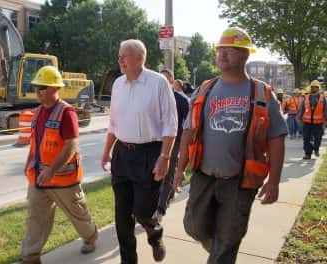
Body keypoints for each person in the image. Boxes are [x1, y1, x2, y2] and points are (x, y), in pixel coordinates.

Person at [173, 27, 288, 264]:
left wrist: (274, 182)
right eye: (220, 50)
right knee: (194, 227)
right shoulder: (205, 88)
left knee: (228, 240)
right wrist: (179, 168)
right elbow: (188, 130)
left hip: (241, 181)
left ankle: (220, 254)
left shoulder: (262, 93)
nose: (223, 55)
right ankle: (218, 251)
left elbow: (277, 139)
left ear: (246, 55)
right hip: (204, 176)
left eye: (231, 50)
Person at [101, 39, 177, 263]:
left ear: (140, 58)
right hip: (122, 155)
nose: (120, 60)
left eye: (125, 55)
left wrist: (165, 157)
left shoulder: (158, 83)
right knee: (122, 215)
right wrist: (107, 151)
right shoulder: (117, 85)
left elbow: (170, 125)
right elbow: (113, 122)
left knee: (143, 210)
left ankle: (154, 232)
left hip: (149, 154)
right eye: (119, 56)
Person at [21, 66, 98, 264]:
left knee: (77, 213)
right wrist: (28, 163)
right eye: (37, 87)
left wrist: (51, 170)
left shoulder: (67, 113)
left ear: (56, 89)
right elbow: (35, 143)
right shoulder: (37, 113)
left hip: (63, 179)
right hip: (39, 178)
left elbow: (71, 144)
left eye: (44, 87)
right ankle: (31, 256)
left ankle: (90, 237)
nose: (39, 91)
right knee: (36, 218)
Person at [159, 69, 190, 216]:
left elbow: (187, 123)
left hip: (174, 141)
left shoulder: (182, 100)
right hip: (155, 141)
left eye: (166, 79)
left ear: (172, 81)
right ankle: (165, 194)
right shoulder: (153, 97)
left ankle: (161, 206)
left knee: (168, 171)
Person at [298, 80, 326, 159]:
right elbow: (302, 109)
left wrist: (325, 122)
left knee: (318, 138)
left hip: (318, 123)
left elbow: (325, 110)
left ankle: (316, 149)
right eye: (312, 87)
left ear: (318, 88)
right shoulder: (306, 97)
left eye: (315, 87)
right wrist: (299, 118)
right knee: (306, 139)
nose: (313, 88)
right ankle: (308, 154)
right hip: (307, 122)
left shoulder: (323, 98)